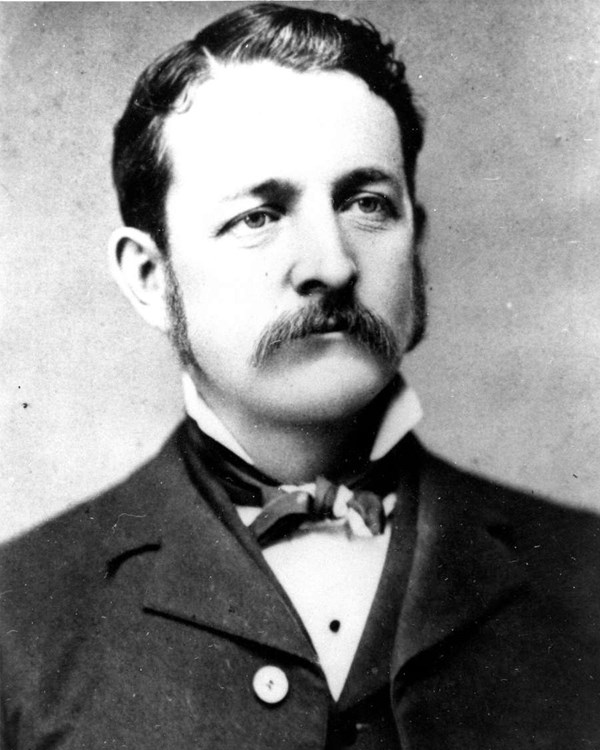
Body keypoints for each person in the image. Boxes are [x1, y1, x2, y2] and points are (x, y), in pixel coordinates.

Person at [1, 4, 600, 748]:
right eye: (259, 216)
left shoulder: (585, 573)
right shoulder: (17, 615)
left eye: (367, 204)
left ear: (417, 247)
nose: (333, 264)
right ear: (151, 279)